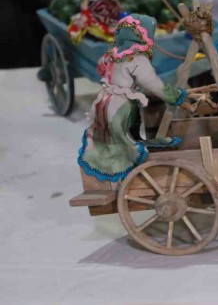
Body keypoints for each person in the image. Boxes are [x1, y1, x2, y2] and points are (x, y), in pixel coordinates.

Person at [78, 14, 187, 182]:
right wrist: (176, 95)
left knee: (112, 134)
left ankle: (117, 156)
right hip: (121, 105)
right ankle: (126, 168)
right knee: (122, 139)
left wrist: (123, 81)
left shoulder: (110, 54)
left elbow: (101, 69)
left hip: (103, 101)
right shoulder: (137, 58)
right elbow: (153, 83)